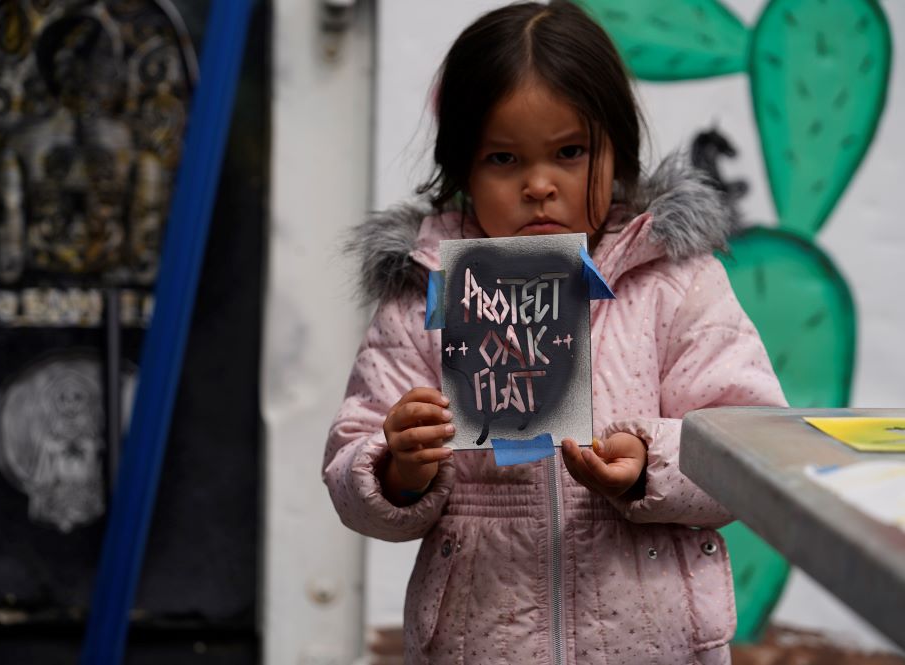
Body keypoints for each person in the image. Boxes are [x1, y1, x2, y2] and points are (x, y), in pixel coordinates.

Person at [323, 2, 786, 663]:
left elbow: (750, 448)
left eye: (570, 152)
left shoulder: (677, 282)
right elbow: (350, 461)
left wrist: (646, 462)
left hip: (655, 645)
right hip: (479, 641)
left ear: (618, 153)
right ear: (462, 170)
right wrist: (398, 467)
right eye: (504, 158)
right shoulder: (426, 291)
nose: (539, 185)